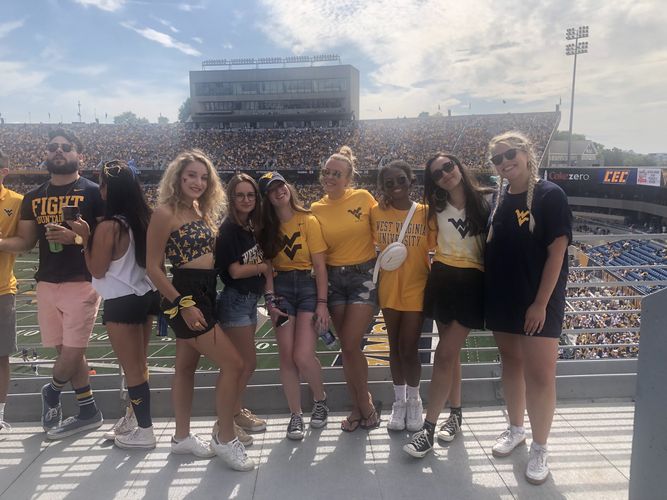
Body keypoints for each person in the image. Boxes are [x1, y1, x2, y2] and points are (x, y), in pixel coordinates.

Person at [146, 149, 254, 471]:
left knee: (185, 368)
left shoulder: (200, 210)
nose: (198, 181)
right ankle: (224, 437)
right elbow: (152, 267)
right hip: (185, 295)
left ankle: (181, 439)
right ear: (177, 177)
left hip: (206, 290)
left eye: (204, 177)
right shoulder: (164, 212)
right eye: (191, 175)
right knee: (234, 364)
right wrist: (182, 304)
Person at [0, 129, 105, 439]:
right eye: (53, 147)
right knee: (66, 351)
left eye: (66, 147)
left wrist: (76, 238)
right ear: (45, 154)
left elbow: (109, 239)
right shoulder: (34, 197)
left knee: (73, 351)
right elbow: (25, 241)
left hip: (82, 280)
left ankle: (52, 391)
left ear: (79, 156)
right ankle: (88, 410)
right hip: (46, 281)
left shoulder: (94, 192)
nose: (59, 151)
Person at [485, 131, 572, 484]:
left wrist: (540, 303)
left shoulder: (550, 195)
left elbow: (557, 251)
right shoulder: (498, 198)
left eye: (510, 154)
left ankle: (540, 446)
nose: (505, 162)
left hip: (538, 300)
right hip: (504, 297)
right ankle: (516, 427)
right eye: (498, 158)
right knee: (511, 365)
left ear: (526, 153)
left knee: (539, 376)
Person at [403, 152, 491, 458]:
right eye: (438, 173)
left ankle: (427, 429)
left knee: (443, 354)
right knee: (450, 357)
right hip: (441, 278)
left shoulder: (485, 201)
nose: (445, 174)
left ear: (459, 165)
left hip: (471, 282)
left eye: (448, 166)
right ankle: (456, 414)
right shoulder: (434, 208)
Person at [70, 160, 159, 449]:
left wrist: (85, 239)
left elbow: (97, 270)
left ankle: (145, 430)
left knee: (132, 369)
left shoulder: (109, 226)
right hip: (145, 297)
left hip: (121, 302)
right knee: (140, 365)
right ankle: (133, 418)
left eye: (103, 185)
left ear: (109, 190)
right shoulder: (144, 218)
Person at [311, 146, 380, 432]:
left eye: (336, 173)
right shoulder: (315, 208)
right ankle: (360, 408)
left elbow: (384, 225)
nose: (329, 177)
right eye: (326, 172)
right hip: (334, 281)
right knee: (348, 349)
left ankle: (364, 406)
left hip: (364, 275)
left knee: (351, 344)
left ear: (349, 177)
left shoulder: (363, 198)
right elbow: (319, 257)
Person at [257, 172, 329, 440]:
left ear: (288, 187)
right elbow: (267, 269)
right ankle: (296, 414)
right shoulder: (265, 228)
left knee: (302, 355)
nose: (279, 192)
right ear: (267, 197)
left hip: (308, 288)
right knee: (286, 356)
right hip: (282, 290)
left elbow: (320, 266)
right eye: (272, 190)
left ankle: (320, 399)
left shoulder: (308, 220)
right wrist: (270, 300)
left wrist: (323, 303)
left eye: (281, 185)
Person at [370, 160, 433, 432]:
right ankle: (399, 402)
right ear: (383, 186)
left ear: (411, 181)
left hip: (417, 286)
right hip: (388, 287)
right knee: (394, 347)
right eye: (389, 182)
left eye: (401, 180)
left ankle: (415, 400)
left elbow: (438, 247)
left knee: (409, 347)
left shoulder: (426, 213)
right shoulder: (375, 212)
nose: (396, 186)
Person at [214, 173, 268, 447]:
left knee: (244, 365)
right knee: (242, 365)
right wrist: (265, 267)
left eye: (251, 195)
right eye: (240, 195)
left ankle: (234, 412)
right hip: (235, 300)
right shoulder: (229, 229)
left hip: (248, 301)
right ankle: (224, 422)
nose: (246, 200)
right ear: (231, 198)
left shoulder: (250, 226)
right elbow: (235, 270)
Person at [0, 150, 23, 438]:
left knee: (1, 355)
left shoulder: (16, 201)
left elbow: (24, 241)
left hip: (2, 289)